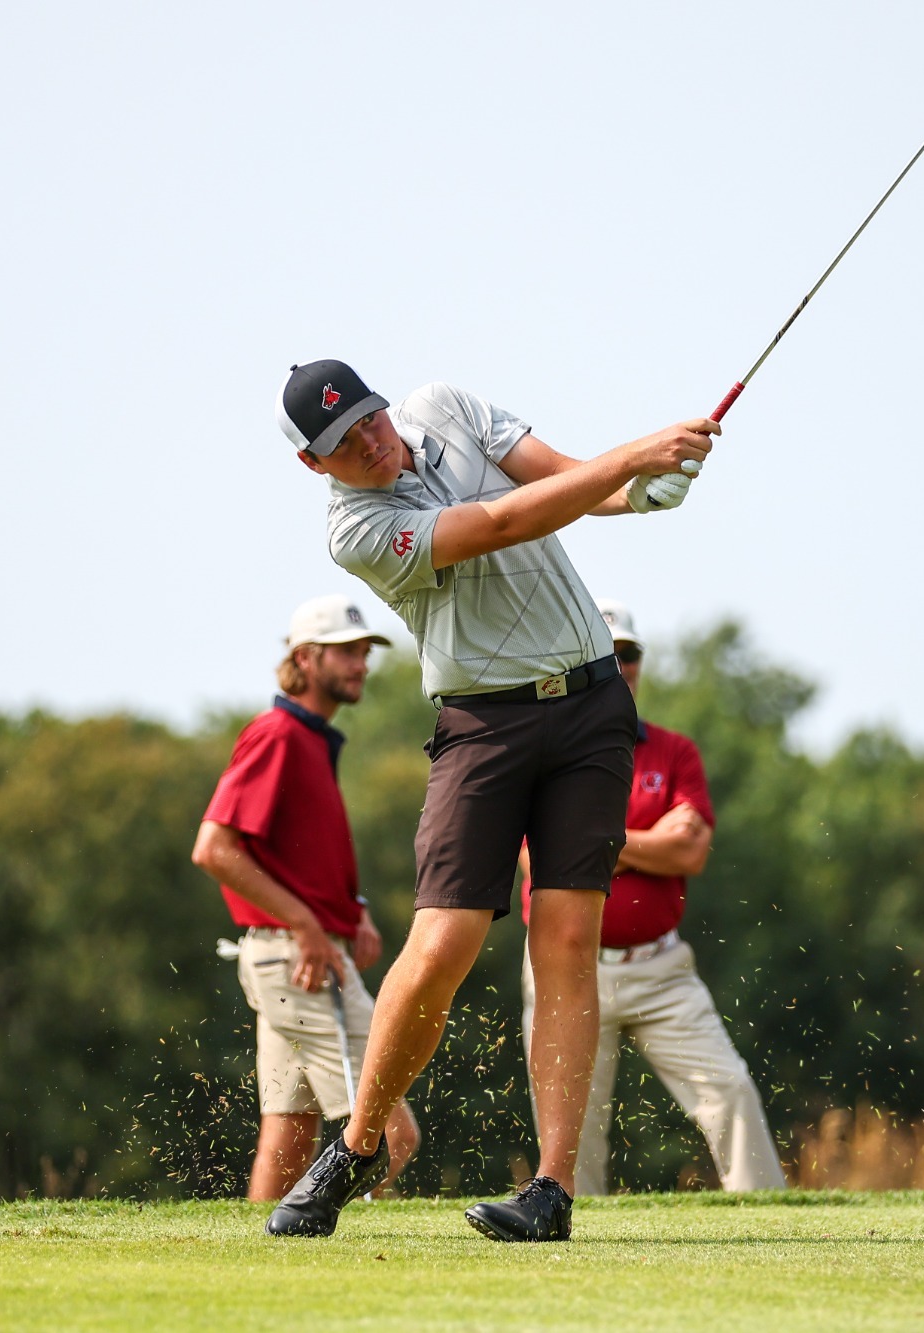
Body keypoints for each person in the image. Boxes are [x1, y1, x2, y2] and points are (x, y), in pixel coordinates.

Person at [263, 359, 715, 1242]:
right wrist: (633, 457)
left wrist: (639, 492)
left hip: (590, 708)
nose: (368, 440)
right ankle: (356, 1145)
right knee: (443, 941)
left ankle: (551, 1189)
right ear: (313, 464)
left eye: (368, 417)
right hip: (482, 724)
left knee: (569, 937)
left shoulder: (445, 407)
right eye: (342, 442)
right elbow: (505, 521)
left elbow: (562, 480)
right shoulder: (357, 529)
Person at [521, 600, 787, 1194]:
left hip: (661, 968)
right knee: (572, 1134)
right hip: (567, 967)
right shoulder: (542, 747)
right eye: (606, 654)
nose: (621, 666)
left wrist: (599, 842)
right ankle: (563, 1227)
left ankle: (769, 1217)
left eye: (630, 653)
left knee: (731, 1093)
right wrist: (648, 840)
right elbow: (538, 859)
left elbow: (690, 852)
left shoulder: (675, 751)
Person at [191, 594, 420, 1200]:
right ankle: (357, 1241)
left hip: (291, 955)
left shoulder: (310, 738)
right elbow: (214, 849)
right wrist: (307, 924)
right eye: (345, 652)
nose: (361, 664)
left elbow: (299, 854)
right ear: (304, 658)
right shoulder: (278, 735)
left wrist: (352, 910)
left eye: (364, 652)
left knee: (289, 1136)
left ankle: (260, 1251)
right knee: (391, 1135)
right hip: (300, 959)